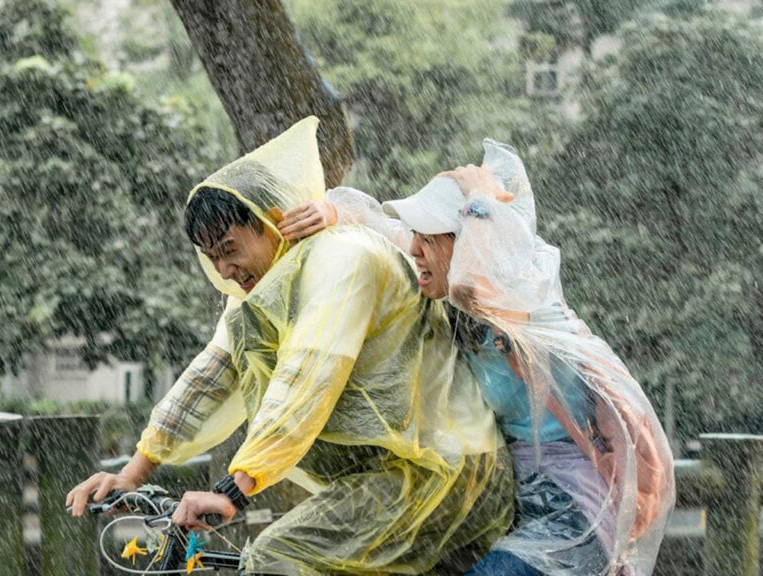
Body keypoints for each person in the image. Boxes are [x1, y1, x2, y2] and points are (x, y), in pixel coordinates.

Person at [66, 117, 515, 575]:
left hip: (446, 471)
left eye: (230, 248)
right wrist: (130, 475)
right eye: (213, 257)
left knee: (275, 557)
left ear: (272, 222)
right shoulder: (261, 296)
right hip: (387, 480)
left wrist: (233, 490)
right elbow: (210, 376)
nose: (224, 269)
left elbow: (307, 376)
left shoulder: (342, 258)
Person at [281, 140, 675, 575]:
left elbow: (469, 286)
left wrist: (481, 196)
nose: (413, 250)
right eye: (416, 237)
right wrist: (334, 214)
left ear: (466, 240)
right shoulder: (456, 282)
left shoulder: (524, 292)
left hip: (578, 507)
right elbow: (379, 224)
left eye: (428, 239)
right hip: (520, 498)